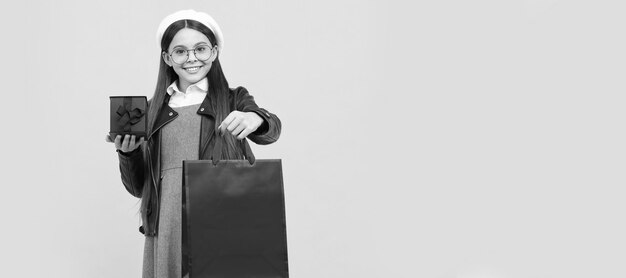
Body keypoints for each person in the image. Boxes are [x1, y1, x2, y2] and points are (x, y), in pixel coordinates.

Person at [105, 9, 281, 278]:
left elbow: (272, 130)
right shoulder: (150, 111)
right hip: (167, 224)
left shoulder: (234, 99)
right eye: (180, 51)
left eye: (200, 49)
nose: (191, 59)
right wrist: (127, 155)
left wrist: (255, 118)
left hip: (220, 218)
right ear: (167, 58)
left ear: (214, 51)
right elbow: (138, 188)